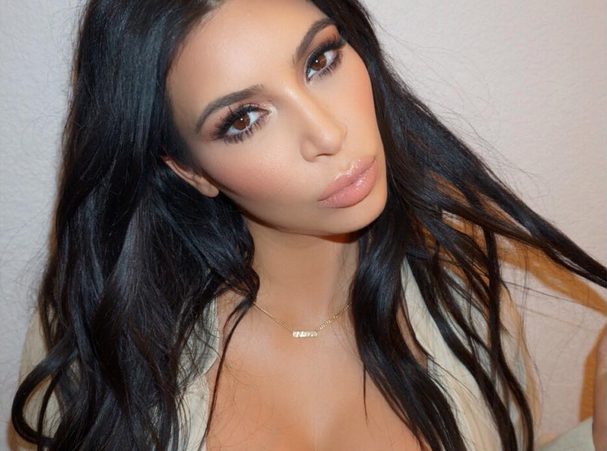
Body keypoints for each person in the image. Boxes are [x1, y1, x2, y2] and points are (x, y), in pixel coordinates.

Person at [11, 0, 606, 450]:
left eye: (320, 60)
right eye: (244, 119)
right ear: (189, 170)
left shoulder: (464, 307)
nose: (327, 133)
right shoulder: (99, 352)